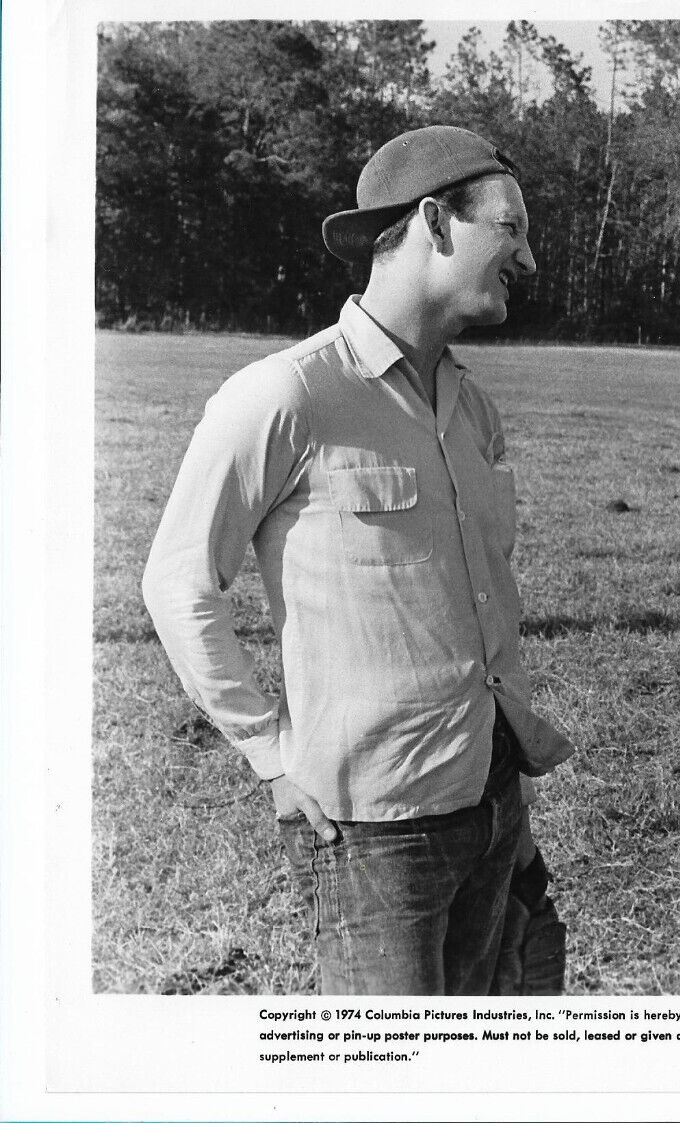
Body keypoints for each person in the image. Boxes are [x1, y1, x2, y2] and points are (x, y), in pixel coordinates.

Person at [142, 125, 574, 995]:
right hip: (376, 830)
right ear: (435, 223)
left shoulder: (474, 407)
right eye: (512, 228)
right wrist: (269, 751)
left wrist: (506, 803)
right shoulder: (287, 394)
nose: (527, 258)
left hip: (492, 801)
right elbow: (177, 581)